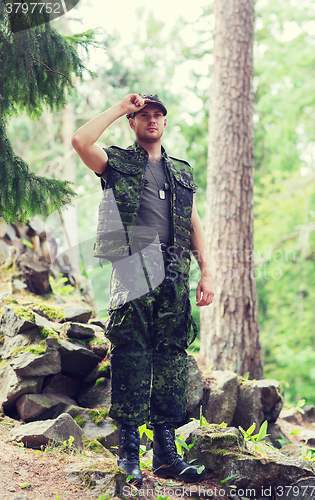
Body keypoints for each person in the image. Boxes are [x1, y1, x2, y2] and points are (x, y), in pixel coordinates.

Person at [72, 93, 214, 486]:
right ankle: (130, 453)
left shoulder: (181, 172)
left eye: (158, 116)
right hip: (134, 266)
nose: (152, 121)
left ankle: (167, 454)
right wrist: (120, 107)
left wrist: (208, 273)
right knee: (132, 354)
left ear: (165, 124)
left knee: (171, 357)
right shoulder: (116, 162)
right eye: (143, 115)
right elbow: (81, 142)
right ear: (133, 124)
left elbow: (194, 223)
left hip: (173, 271)